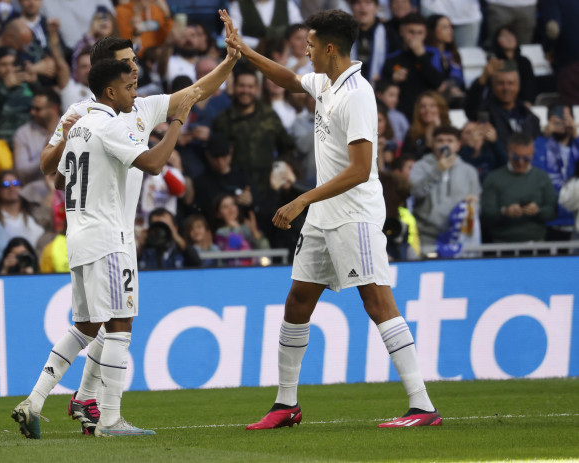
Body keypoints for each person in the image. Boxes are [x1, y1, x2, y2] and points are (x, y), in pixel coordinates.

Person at [222, 8, 441, 429]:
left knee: (378, 303)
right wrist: (244, 51)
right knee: (298, 301)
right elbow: (287, 79)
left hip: (355, 215)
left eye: (308, 45)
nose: (304, 52)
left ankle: (422, 406)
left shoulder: (357, 94)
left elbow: (360, 169)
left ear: (328, 47)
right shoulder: (326, 82)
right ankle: (286, 404)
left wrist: (302, 199)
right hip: (324, 216)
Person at [37, 35, 239, 436]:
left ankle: (79, 398)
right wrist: (66, 137)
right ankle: (97, 408)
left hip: (122, 230)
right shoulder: (82, 112)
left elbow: (195, 92)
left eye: (134, 61)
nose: (136, 68)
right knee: (113, 323)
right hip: (102, 230)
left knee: (103, 321)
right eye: (127, 63)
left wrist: (231, 60)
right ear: (106, 72)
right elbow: (47, 165)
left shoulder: (140, 105)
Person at [11, 58, 202, 438]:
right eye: (129, 87)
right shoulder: (109, 124)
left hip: (78, 238)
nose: (135, 93)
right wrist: (177, 120)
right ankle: (111, 420)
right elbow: (153, 163)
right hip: (108, 238)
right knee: (120, 325)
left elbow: (60, 179)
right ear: (110, 91)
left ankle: (33, 401)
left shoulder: (78, 127)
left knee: (85, 327)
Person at [212, 65, 295, 196]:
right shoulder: (222, 121)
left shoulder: (270, 116)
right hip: (235, 191)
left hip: (268, 190)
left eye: (250, 86)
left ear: (257, 89)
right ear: (234, 87)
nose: (246, 90)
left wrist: (281, 170)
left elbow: (288, 148)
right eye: (241, 85)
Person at [409, 125, 481, 251]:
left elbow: (476, 205)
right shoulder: (420, 167)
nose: (444, 144)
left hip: (458, 238)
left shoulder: (469, 171)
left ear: (458, 145)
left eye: (450, 141)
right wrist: (437, 170)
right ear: (432, 144)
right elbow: (415, 192)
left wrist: (473, 204)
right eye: (440, 141)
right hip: (425, 236)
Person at [481, 133, 557, 243]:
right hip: (502, 243)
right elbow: (485, 214)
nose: (521, 163)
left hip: (536, 243)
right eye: (516, 157)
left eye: (526, 158)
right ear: (508, 152)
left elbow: (552, 211)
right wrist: (505, 212)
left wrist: (537, 211)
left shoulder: (542, 177)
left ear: (533, 154)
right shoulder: (493, 178)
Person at [381, 13, 444, 121]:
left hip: (426, 114)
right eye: (411, 32)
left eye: (420, 33)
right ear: (402, 31)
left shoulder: (433, 54)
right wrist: (392, 79)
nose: (415, 37)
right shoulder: (391, 57)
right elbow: (382, 87)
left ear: (425, 34)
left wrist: (421, 56)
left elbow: (437, 83)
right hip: (400, 114)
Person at [464, 60, 540, 147]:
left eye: (511, 83)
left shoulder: (531, 118)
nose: (506, 88)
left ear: (518, 86)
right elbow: (471, 109)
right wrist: (482, 79)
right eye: (501, 83)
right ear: (492, 86)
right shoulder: (485, 113)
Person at [533, 106, 579, 241]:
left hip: (575, 217)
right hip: (551, 219)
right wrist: (543, 137)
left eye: (565, 119)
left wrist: (576, 135)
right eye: (556, 120)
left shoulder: (576, 144)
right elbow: (533, 170)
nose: (561, 124)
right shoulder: (541, 145)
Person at [13, 88, 60, 185]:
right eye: (32, 108)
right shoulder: (23, 133)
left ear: (54, 109)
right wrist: (45, 155)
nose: (32, 112)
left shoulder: (71, 127)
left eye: (37, 109)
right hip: (37, 188)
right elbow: (21, 173)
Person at [402, 90, 450, 159]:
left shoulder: (450, 131)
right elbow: (406, 158)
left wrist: (439, 131)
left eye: (432, 106)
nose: (427, 110)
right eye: (423, 106)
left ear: (441, 109)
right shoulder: (412, 133)